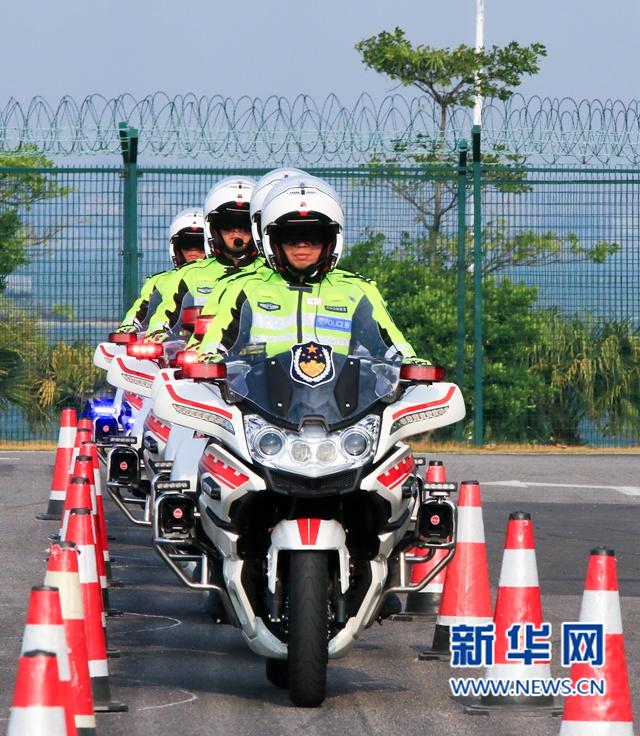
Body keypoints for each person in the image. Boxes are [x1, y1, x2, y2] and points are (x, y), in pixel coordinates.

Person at [197, 174, 419, 364]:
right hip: (256, 406)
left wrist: (411, 364)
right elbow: (215, 348)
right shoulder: (245, 288)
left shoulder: (356, 291)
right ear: (273, 240)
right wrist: (209, 361)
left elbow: (391, 347)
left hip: (345, 406)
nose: (302, 245)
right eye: (291, 236)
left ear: (330, 240)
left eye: (314, 236)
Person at [144, 177, 258, 342]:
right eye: (228, 225)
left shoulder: (267, 276)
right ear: (214, 229)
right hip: (211, 354)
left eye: (244, 226)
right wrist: (157, 335)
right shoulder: (190, 274)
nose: (236, 233)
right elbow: (167, 314)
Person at [116, 207, 205, 333]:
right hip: (169, 340)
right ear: (176, 249)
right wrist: (128, 326)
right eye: (187, 244)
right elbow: (141, 308)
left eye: (200, 245)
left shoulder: (225, 280)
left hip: (221, 342)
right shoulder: (160, 280)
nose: (193, 251)